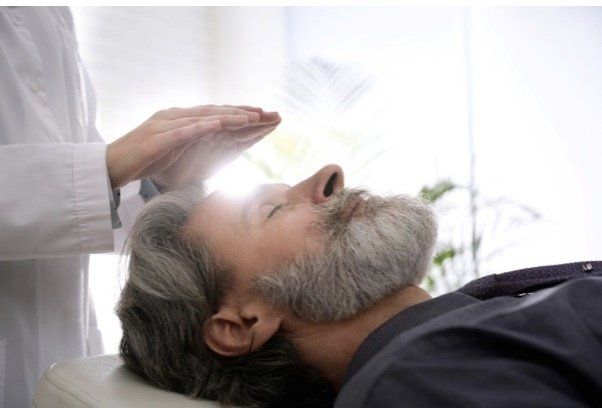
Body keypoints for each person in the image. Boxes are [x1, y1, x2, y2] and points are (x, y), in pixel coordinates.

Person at [117, 163, 602, 408]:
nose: (329, 174)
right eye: (273, 210)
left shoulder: (469, 334)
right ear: (242, 323)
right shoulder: (420, 387)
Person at [0, 6, 281, 408]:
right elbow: (82, 183)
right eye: (271, 210)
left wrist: (159, 181)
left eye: (274, 209)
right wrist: (106, 167)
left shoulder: (49, 14)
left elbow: (88, 201)